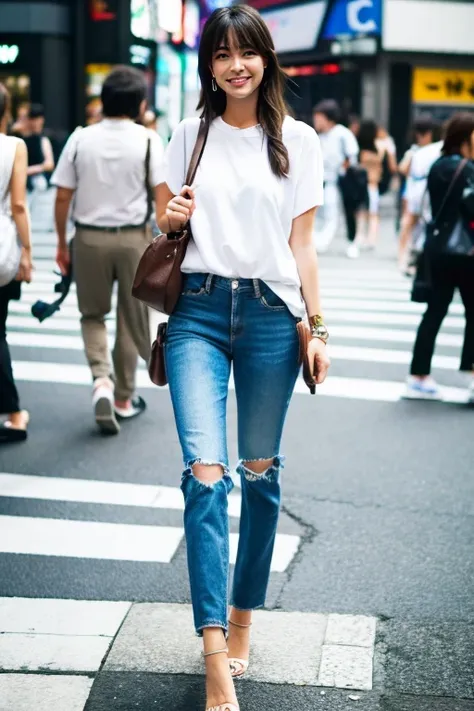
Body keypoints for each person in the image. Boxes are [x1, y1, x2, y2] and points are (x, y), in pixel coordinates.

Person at [157, 6, 330, 711]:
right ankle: (212, 655)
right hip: (196, 311)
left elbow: (305, 247)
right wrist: (169, 218)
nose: (235, 64)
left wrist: (317, 328)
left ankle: (243, 615)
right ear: (208, 65)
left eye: (247, 52)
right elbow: (166, 218)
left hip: (268, 318)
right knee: (206, 476)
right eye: (222, 53)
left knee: (259, 476)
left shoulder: (298, 142)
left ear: (266, 60)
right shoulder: (186, 134)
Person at [51, 66, 164, 434]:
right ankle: (123, 397)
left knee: (92, 315)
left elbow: (63, 195)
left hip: (88, 239)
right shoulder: (149, 140)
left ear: (102, 101)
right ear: (141, 104)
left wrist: (60, 241)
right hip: (134, 240)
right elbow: (161, 199)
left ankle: (101, 379)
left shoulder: (81, 139)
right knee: (131, 322)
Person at [407, 113, 474, 401]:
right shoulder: (468, 169)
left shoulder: (437, 166)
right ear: (466, 138)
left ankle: (418, 375)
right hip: (467, 253)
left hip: (438, 250)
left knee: (434, 312)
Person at [0, 83, 34, 442]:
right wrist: (27, 251)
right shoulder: (13, 147)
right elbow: (19, 205)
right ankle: (13, 413)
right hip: (2, 249)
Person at [313, 99, 359, 256]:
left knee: (346, 212)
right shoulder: (319, 136)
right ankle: (318, 241)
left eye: (319, 118)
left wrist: (342, 171)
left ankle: (352, 243)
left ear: (328, 118)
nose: (316, 121)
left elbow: (351, 155)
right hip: (323, 180)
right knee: (323, 212)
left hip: (341, 180)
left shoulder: (342, 133)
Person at [353, 119, 384, 254]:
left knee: (361, 212)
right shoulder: (379, 148)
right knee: (372, 213)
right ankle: (371, 238)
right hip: (372, 185)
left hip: (362, 184)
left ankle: (360, 236)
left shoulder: (358, 148)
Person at [23, 104, 55, 196]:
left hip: (39, 182)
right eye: (32, 119)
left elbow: (49, 164)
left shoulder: (44, 139)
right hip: (25, 183)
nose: (35, 122)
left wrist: (28, 170)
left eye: (37, 119)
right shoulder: (22, 139)